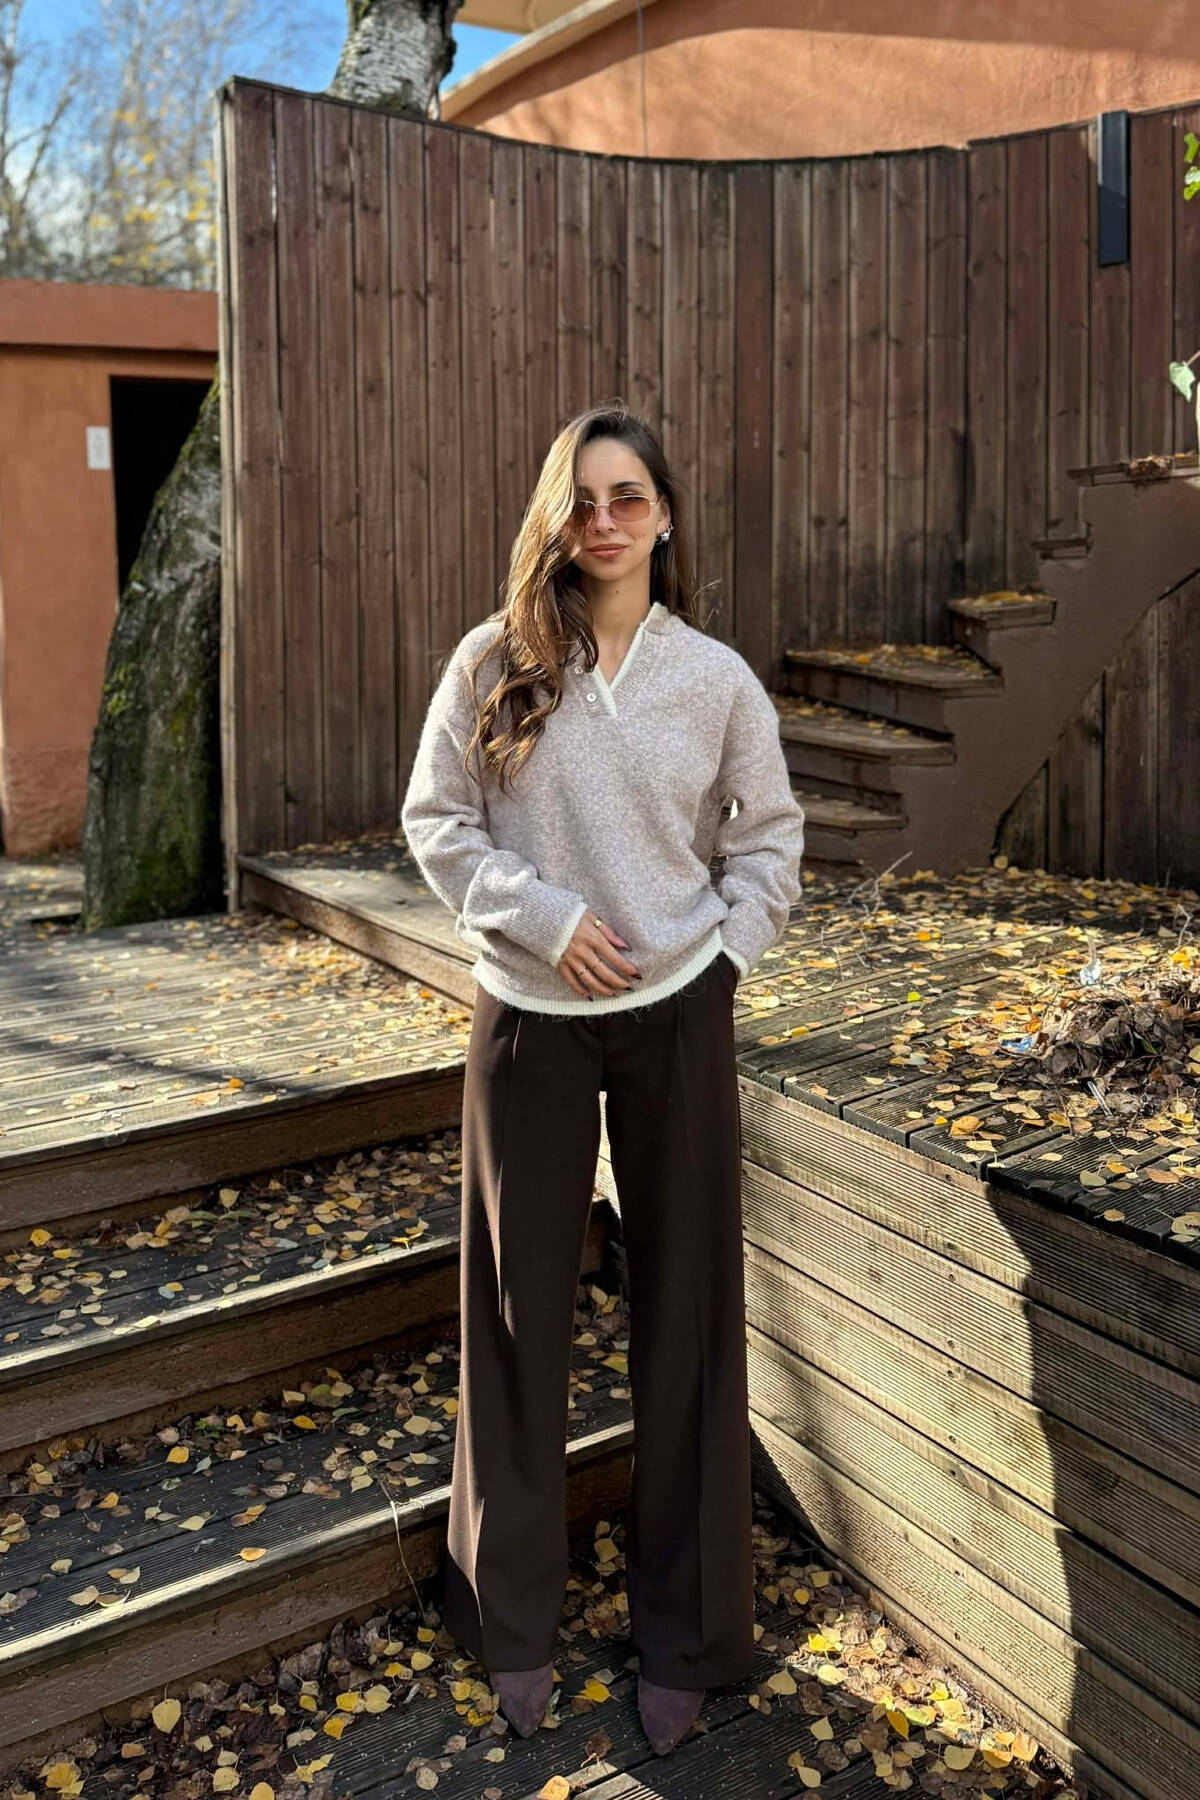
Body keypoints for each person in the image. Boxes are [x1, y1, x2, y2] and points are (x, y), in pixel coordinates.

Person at [400, 401, 806, 1755]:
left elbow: (770, 840)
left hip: (676, 1015)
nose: (606, 519)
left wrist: (722, 960)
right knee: (518, 1315)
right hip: (530, 1016)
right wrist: (543, 917)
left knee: (685, 1315)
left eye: (628, 495)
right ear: (554, 518)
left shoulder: (715, 680)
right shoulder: (495, 661)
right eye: (581, 498)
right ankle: (510, 1617)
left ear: (665, 514)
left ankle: (688, 1635)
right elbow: (436, 821)